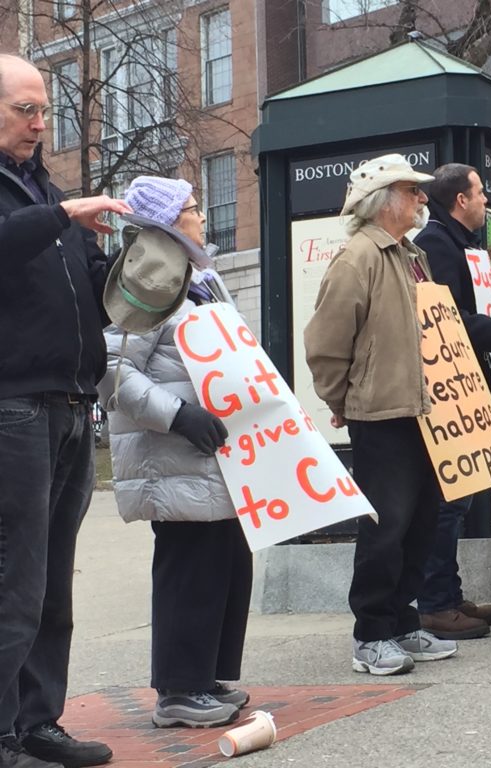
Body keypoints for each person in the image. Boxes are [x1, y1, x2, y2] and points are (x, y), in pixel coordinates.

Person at [0, 54, 132, 768]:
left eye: (44, 111)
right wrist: (62, 215)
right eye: (26, 110)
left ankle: (37, 721)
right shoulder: (39, 202)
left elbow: (97, 292)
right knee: (13, 579)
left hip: (74, 405)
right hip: (13, 406)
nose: (40, 123)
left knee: (51, 580)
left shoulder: (40, 187)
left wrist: (142, 260)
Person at [96, 176, 253, 729]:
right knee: (190, 568)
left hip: (210, 455)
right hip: (173, 456)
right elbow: (113, 372)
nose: (203, 216)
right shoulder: (146, 278)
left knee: (225, 563)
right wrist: (179, 415)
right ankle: (179, 691)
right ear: (166, 221)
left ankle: (204, 677)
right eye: (192, 208)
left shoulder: (200, 278)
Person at [305, 154, 457, 676]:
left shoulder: (412, 255)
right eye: (412, 191)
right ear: (385, 199)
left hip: (423, 408)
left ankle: (402, 620)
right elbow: (326, 341)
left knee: (420, 522)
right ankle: (370, 634)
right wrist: (340, 400)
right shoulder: (358, 258)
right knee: (386, 526)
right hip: (380, 413)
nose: (421, 199)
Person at [412, 164, 491, 641]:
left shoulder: (462, 245)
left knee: (461, 498)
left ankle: (449, 594)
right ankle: (436, 603)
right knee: (449, 500)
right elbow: (451, 317)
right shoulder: (440, 244)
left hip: (472, 380)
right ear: (461, 200)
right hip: (448, 386)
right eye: (480, 193)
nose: (487, 201)